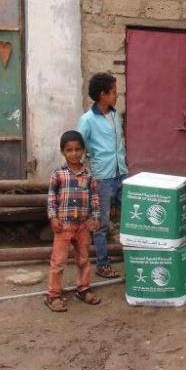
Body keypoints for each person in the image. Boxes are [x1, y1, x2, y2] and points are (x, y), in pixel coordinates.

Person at [77, 73, 127, 280]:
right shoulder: (87, 120)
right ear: (102, 95)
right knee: (101, 224)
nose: (117, 95)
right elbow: (78, 146)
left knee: (130, 218)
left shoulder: (116, 115)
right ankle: (103, 264)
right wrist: (84, 173)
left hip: (121, 173)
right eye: (113, 92)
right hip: (102, 178)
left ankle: (134, 258)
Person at [45, 130, 102, 312]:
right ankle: (53, 295)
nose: (74, 153)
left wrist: (96, 216)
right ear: (63, 152)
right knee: (59, 261)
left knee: (84, 259)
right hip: (63, 226)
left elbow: (94, 197)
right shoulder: (58, 174)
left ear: (83, 150)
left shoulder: (89, 175)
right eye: (69, 150)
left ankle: (83, 289)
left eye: (78, 149)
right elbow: (51, 198)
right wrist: (53, 217)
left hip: (83, 225)